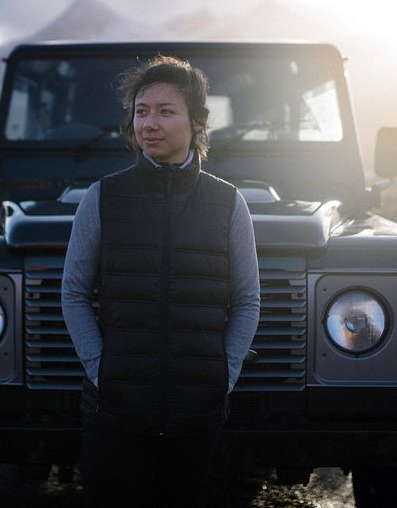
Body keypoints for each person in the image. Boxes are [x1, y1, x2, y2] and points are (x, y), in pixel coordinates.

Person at [61, 54, 261, 507]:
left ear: (197, 121)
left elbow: (247, 299)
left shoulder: (228, 203)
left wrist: (224, 375)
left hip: (200, 416)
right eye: (141, 111)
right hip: (115, 414)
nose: (149, 123)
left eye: (165, 111)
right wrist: (100, 369)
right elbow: (73, 294)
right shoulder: (103, 197)